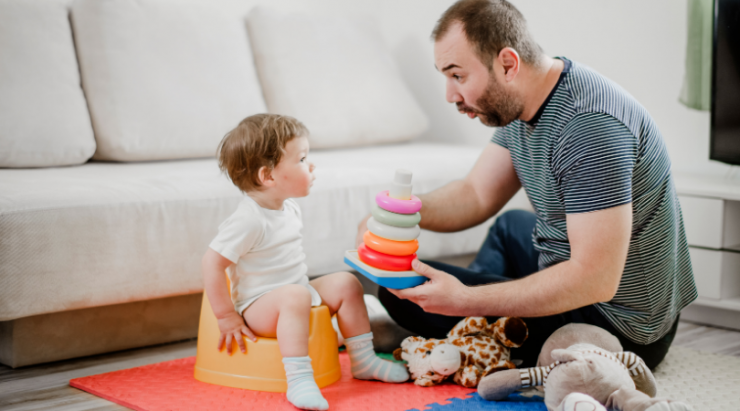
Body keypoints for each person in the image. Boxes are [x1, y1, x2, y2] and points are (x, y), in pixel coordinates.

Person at [357, 0, 697, 370]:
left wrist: (467, 299)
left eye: (458, 76)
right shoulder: (529, 97)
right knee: (508, 227)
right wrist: (396, 213)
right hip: (582, 276)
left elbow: (596, 279)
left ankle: (469, 326)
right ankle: (481, 324)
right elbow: (475, 194)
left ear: (507, 63)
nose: (450, 95)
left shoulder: (590, 127)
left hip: (621, 325)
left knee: (402, 293)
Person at [204, 114, 408, 411]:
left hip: (295, 293)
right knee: (295, 295)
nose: (311, 166)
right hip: (258, 307)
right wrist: (226, 316)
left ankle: (364, 361)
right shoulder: (248, 220)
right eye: (301, 159)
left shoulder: (288, 207)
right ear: (268, 177)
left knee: (348, 283)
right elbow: (211, 263)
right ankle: (299, 379)